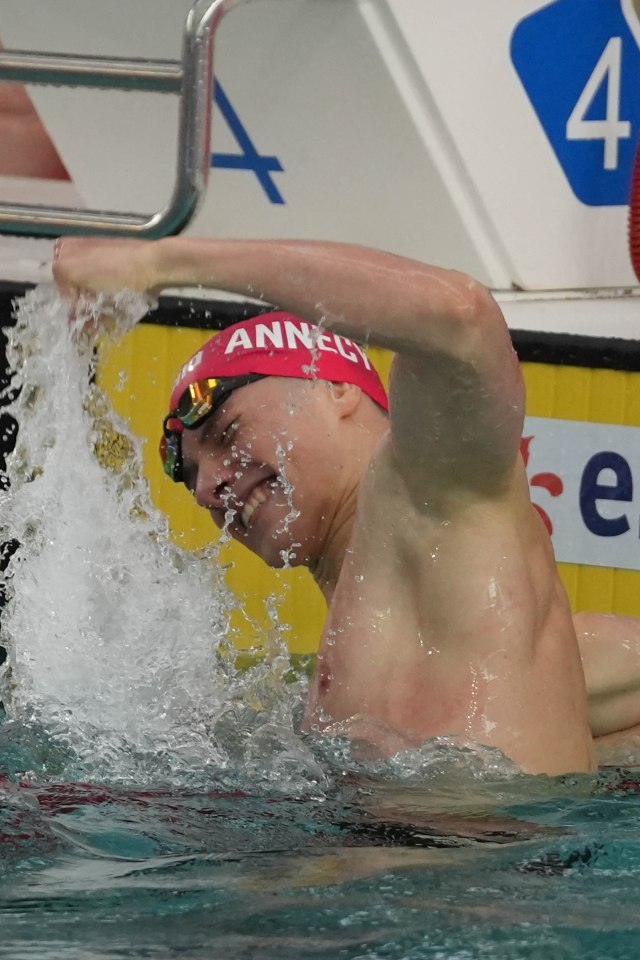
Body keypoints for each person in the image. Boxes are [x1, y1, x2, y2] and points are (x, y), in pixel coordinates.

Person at [53, 235, 598, 776]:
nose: (207, 487)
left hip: (483, 859)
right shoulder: (401, 613)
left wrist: (158, 262)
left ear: (336, 389)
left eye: (227, 431)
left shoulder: (426, 484)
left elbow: (461, 316)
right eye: (189, 474)